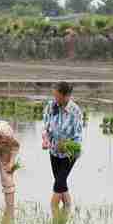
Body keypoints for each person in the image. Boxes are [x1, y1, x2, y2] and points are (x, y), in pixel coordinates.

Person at [42, 81, 83, 209]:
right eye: (54, 95)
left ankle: (54, 216)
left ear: (66, 96)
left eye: (57, 96)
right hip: (54, 151)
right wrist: (46, 139)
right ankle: (66, 213)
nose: (55, 99)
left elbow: (77, 137)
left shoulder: (75, 111)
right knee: (62, 185)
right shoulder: (50, 106)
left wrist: (65, 145)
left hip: (69, 154)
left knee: (58, 185)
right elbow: (46, 127)